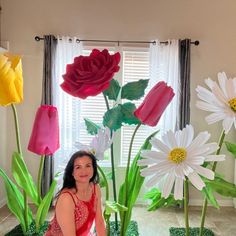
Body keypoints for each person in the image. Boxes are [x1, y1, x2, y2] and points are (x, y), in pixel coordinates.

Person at [45, 150, 106, 236]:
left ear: (93, 168)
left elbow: (99, 222)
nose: (84, 171)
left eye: (88, 166)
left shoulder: (95, 188)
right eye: (78, 167)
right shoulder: (67, 198)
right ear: (72, 172)